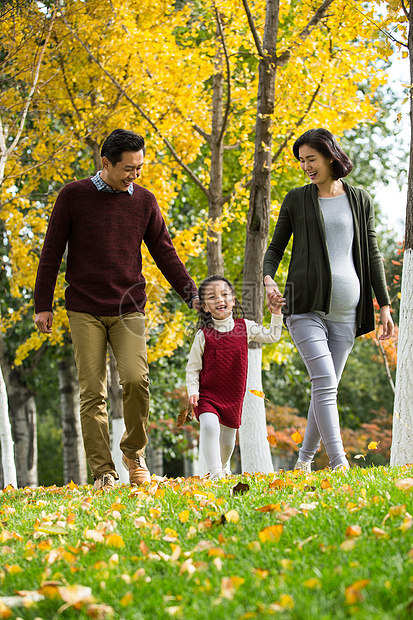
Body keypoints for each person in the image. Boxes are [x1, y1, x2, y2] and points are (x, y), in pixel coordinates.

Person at [34, 128, 200, 491]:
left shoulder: (144, 200)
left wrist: (192, 294)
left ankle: (133, 453)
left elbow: (164, 252)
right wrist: (42, 305)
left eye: (139, 168)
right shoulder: (73, 196)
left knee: (137, 381)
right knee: (93, 391)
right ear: (105, 163)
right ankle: (103, 473)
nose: (134, 176)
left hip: (129, 307)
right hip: (84, 308)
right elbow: (51, 252)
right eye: (128, 168)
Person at [263, 127, 394, 473]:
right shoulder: (296, 199)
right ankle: (339, 464)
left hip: (348, 311)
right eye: (302, 161)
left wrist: (384, 305)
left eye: (312, 159)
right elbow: (275, 248)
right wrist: (267, 279)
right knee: (323, 383)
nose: (306, 166)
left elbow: (373, 253)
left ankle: (303, 462)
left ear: (330, 156)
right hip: (305, 306)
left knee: (326, 390)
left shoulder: (359, 199)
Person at [186, 275, 284, 480]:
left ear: (232, 299)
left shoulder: (244, 327)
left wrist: (276, 314)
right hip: (208, 395)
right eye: (212, 297)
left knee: (228, 442)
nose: (219, 300)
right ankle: (214, 474)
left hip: (233, 397)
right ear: (204, 307)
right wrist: (193, 392)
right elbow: (193, 368)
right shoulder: (203, 335)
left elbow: (273, 336)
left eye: (224, 294)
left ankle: (222, 467)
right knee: (210, 425)